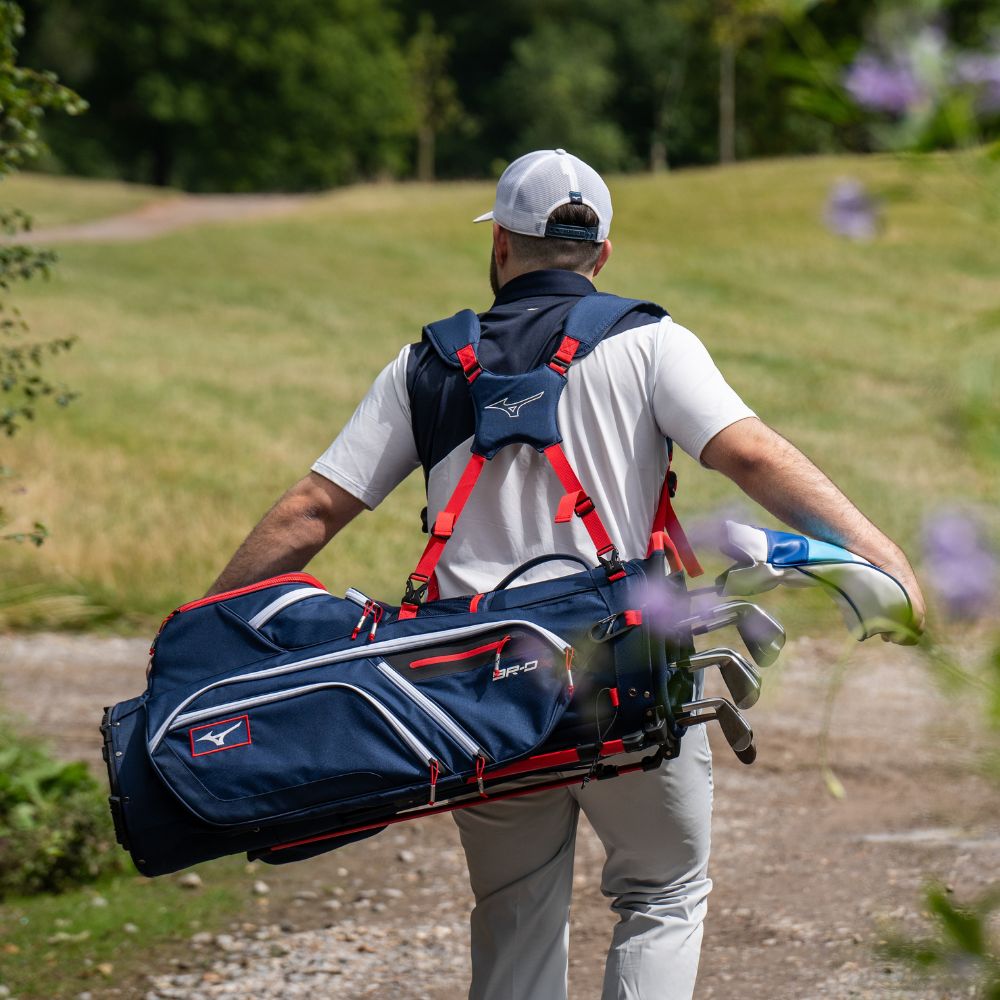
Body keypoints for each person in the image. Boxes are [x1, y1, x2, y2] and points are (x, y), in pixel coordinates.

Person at [207, 148, 925, 1000]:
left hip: (480, 691)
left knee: (513, 910)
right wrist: (886, 559)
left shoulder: (426, 367)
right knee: (662, 894)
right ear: (603, 255)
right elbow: (755, 456)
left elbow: (309, 513)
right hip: (628, 677)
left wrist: (203, 630)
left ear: (501, 246)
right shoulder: (654, 343)